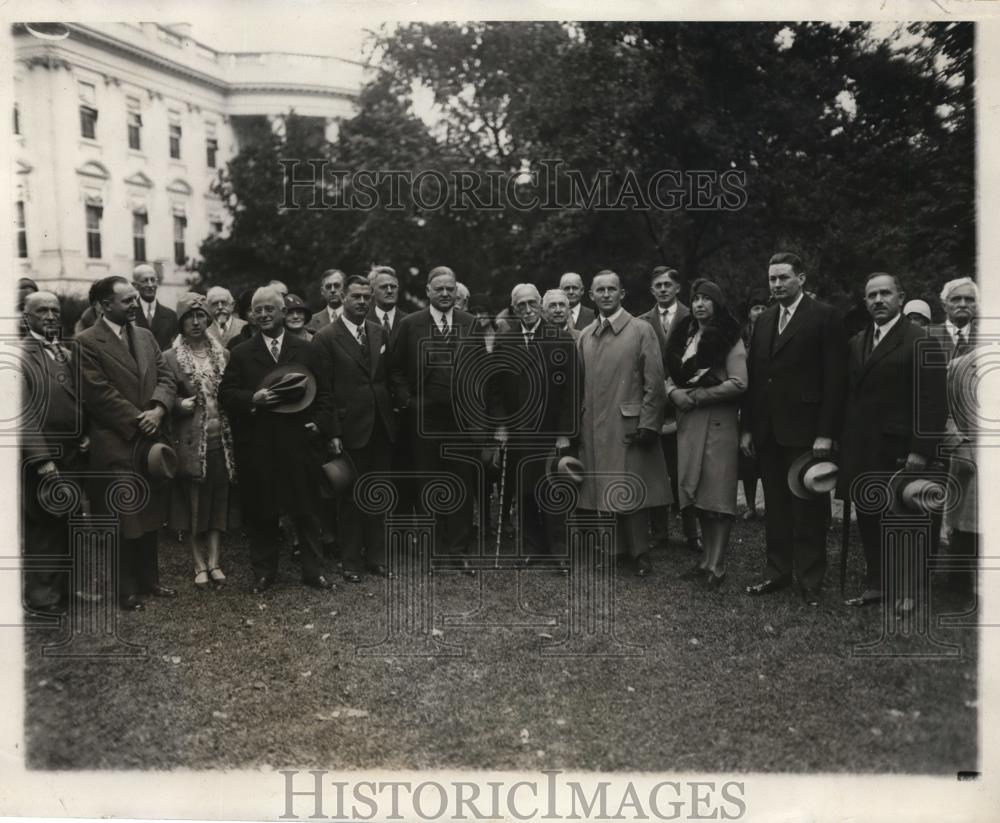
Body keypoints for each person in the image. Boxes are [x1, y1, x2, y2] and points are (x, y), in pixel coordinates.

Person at [740, 252, 848, 606]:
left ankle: (810, 579)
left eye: (783, 277)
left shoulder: (825, 316)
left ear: (801, 277)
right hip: (769, 430)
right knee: (776, 506)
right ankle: (777, 572)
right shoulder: (765, 319)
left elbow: (835, 380)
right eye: (772, 279)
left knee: (809, 508)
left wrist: (826, 432)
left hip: (806, 433)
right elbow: (756, 379)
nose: (776, 284)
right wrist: (750, 429)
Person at [838, 273, 947, 608]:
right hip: (863, 446)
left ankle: (908, 589)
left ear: (901, 296)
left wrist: (920, 449)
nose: (878, 300)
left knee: (904, 518)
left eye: (885, 293)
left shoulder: (919, 339)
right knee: (869, 514)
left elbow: (932, 401)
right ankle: (878, 582)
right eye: (872, 295)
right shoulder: (857, 341)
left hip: (900, 448)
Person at [219, 286, 332, 593]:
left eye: (270, 309)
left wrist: (318, 426)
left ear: (284, 312)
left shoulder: (307, 349)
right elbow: (226, 395)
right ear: (251, 316)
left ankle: (313, 571)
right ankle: (264, 572)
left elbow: (325, 395)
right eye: (258, 310)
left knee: (306, 509)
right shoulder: (241, 353)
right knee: (261, 509)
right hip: (260, 444)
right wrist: (252, 399)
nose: (264, 314)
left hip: (299, 443)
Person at [76, 276, 177, 611]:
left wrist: (159, 410)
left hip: (149, 440)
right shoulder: (86, 342)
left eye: (136, 299)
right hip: (116, 443)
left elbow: (166, 377)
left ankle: (150, 580)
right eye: (127, 300)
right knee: (122, 517)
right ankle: (125, 589)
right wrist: (140, 420)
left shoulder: (146, 336)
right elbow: (98, 393)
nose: (135, 305)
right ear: (105, 305)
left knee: (149, 513)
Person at [577, 270, 670, 577]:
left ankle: (641, 553)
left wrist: (648, 423)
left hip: (628, 424)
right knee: (603, 486)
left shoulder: (641, 330)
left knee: (633, 490)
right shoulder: (585, 335)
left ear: (622, 294)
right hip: (594, 424)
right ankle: (614, 551)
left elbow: (655, 382)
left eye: (611, 289)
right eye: (599, 290)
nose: (606, 294)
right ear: (591, 296)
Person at [388, 266, 478, 570]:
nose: (444, 294)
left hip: (461, 422)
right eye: (438, 288)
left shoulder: (470, 323)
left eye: (449, 289)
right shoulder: (410, 324)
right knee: (428, 483)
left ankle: (459, 549)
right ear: (427, 291)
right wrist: (408, 401)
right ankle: (435, 550)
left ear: (457, 291)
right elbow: (395, 369)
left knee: (461, 484)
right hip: (423, 421)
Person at [310, 276, 398, 581]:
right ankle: (351, 562)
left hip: (381, 426)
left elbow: (384, 377)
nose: (362, 302)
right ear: (343, 298)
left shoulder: (377, 331)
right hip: (349, 428)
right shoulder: (325, 337)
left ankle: (377, 557)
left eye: (366, 297)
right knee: (349, 497)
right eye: (356, 297)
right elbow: (324, 391)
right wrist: (332, 432)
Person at [665, 280, 748, 588]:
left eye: (706, 299)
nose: (699, 304)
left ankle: (717, 563)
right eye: (695, 298)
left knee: (717, 495)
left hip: (717, 423)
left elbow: (739, 382)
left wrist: (699, 396)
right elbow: (667, 375)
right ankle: (704, 562)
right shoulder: (683, 334)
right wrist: (673, 392)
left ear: (717, 303)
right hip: (688, 422)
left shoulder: (730, 337)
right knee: (698, 492)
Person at [488, 284, 578, 566]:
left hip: (551, 430)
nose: (527, 310)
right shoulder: (505, 341)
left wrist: (565, 432)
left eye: (531, 303)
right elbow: (496, 389)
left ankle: (559, 549)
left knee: (551, 489)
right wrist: (501, 425)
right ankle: (531, 545)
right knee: (524, 489)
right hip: (517, 432)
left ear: (540, 304)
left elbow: (572, 391)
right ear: (513, 309)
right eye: (520, 305)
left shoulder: (560, 339)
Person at [163, 293, 239, 591]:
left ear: (208, 319)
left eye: (200, 316)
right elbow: (163, 393)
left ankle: (215, 562)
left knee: (218, 500)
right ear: (181, 322)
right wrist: (178, 404)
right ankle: (198, 563)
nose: (196, 322)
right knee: (193, 503)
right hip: (190, 441)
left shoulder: (223, 354)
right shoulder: (170, 357)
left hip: (221, 438)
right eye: (189, 317)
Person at [19, 292, 88, 613]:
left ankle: (67, 590)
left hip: (73, 454)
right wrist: (42, 460)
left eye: (54, 310)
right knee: (44, 524)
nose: (49, 316)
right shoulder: (20, 356)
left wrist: (87, 434)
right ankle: (42, 597)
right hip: (44, 460)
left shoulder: (66, 352)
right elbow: (22, 413)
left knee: (70, 522)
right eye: (41, 311)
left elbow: (79, 398)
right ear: (26, 317)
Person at [639, 265, 700, 553]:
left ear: (677, 288)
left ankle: (692, 533)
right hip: (655, 405)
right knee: (655, 470)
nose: (662, 289)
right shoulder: (641, 322)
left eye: (667, 284)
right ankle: (659, 532)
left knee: (685, 471)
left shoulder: (694, 317)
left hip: (686, 403)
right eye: (657, 285)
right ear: (651, 290)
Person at [738, 288, 770, 520]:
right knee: (747, 462)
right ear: (749, 313)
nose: (759, 312)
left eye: (763, 308)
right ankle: (750, 505)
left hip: (765, 402)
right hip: (744, 401)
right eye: (755, 308)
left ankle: (771, 504)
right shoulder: (742, 337)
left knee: (767, 460)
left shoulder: (771, 332)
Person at [929, 277, 977, 361]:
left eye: (969, 299)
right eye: (956, 299)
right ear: (944, 305)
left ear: (976, 305)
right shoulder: (926, 336)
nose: (963, 305)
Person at [132, 264, 178, 350]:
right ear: (135, 285)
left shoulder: (171, 315)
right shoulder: (130, 314)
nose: (150, 285)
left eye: (153, 280)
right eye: (144, 281)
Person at [368, 266, 408, 344]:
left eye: (393, 287)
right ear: (372, 291)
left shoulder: (409, 322)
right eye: (383, 287)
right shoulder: (363, 321)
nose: (389, 291)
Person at [306, 269, 346, 333]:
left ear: (345, 288)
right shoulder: (311, 322)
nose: (332, 290)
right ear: (322, 291)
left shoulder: (356, 316)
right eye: (328, 287)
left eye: (337, 286)